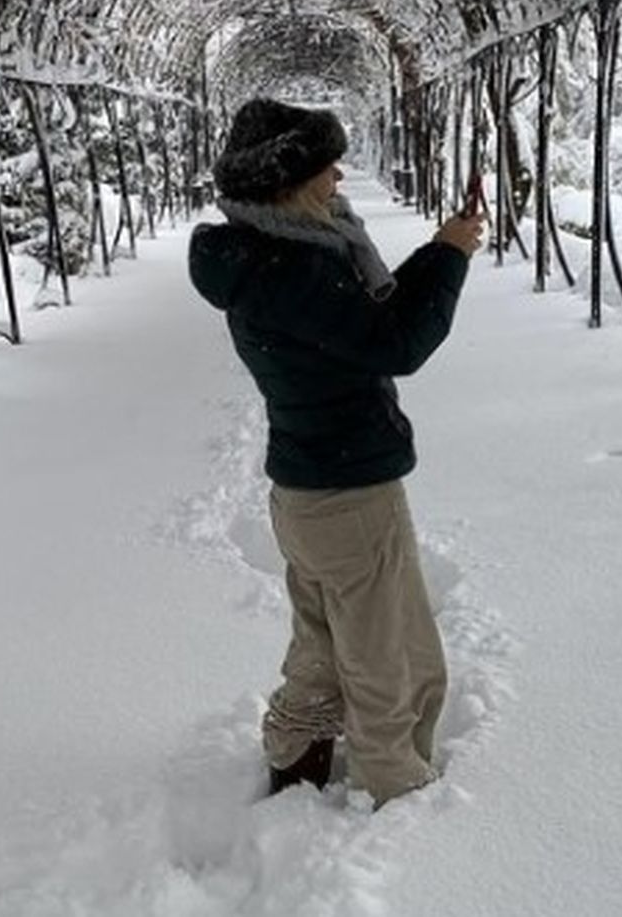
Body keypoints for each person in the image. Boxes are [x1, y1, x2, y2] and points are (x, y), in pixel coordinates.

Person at [187, 96, 484, 807]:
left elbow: (364, 323)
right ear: (287, 182)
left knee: (322, 646)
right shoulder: (296, 268)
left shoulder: (268, 258)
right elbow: (395, 343)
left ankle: (296, 751)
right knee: (396, 658)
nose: (340, 176)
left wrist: (440, 249)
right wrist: (448, 258)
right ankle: (399, 788)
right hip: (352, 498)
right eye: (326, 166)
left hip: (307, 493)